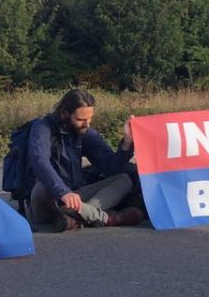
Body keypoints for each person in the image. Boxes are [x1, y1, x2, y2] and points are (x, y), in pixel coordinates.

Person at [26, 89, 144, 232]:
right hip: (50, 198)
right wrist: (63, 192)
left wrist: (126, 143)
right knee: (42, 187)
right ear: (65, 114)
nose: (86, 124)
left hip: (76, 197)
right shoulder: (42, 128)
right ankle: (106, 218)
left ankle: (74, 216)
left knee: (124, 179)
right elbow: (40, 162)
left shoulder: (85, 132)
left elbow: (111, 167)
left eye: (89, 119)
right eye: (81, 120)